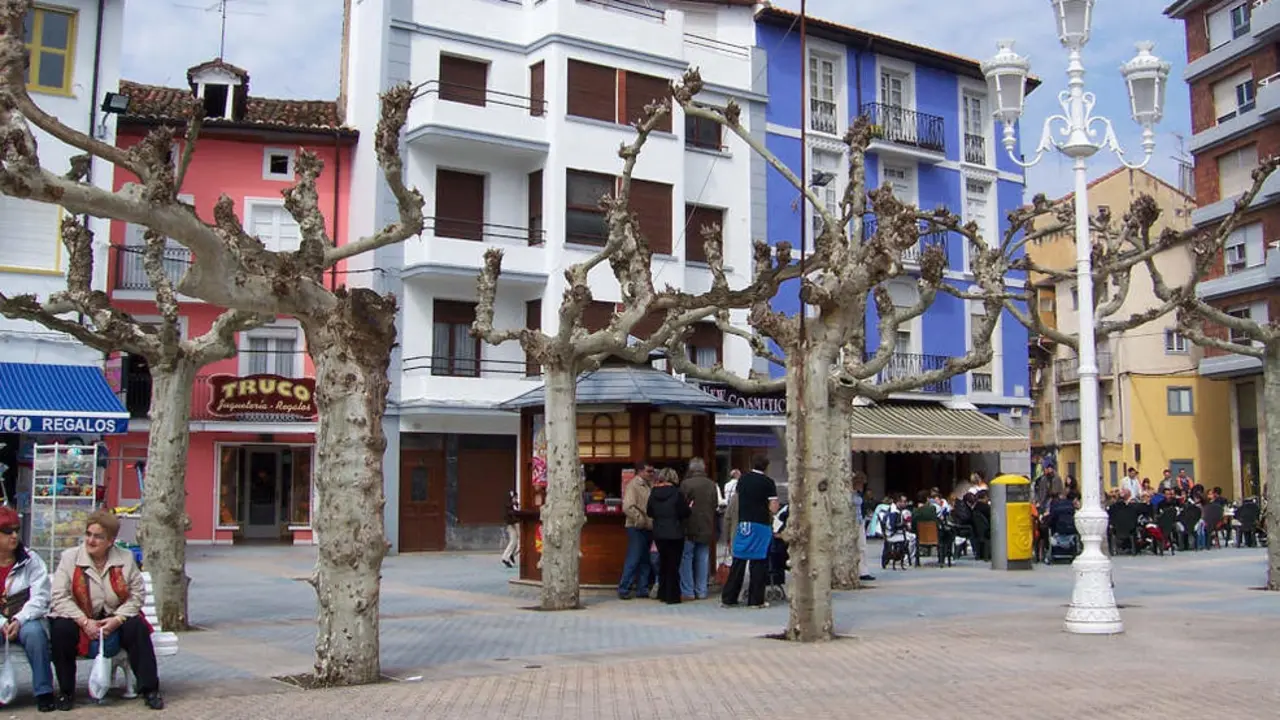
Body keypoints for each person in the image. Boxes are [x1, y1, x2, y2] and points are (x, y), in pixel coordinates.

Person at [49, 510, 163, 710]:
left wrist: (118, 619)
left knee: (137, 627)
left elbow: (137, 595)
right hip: (80, 618)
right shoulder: (70, 558)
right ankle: (66, 693)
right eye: (88, 534)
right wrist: (84, 621)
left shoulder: (125, 558)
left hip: (114, 618)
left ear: (110, 541)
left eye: (98, 536)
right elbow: (59, 596)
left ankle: (150, 689)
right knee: (61, 629)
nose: (91, 540)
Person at [0, 506, 55, 712]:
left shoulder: (31, 560)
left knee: (35, 634)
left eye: (16, 530)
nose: (14, 536)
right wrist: (3, 622)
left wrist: (19, 620)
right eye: (7, 532)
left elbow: (41, 597)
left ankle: (44, 692)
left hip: (26, 618)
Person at [720, 456, 778, 608]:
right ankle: (755, 600)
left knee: (738, 561)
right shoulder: (768, 482)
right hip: (761, 524)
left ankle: (729, 598)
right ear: (766, 467)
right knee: (759, 562)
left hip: (744, 523)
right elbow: (773, 506)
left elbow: (738, 498)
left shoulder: (743, 480)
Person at [647, 468, 690, 605]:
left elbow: (649, 512)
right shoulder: (677, 493)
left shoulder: (653, 492)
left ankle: (663, 593)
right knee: (674, 565)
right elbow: (684, 512)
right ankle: (673, 596)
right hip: (675, 532)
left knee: (664, 563)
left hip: (659, 532)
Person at [678, 457, 718, 601]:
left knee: (686, 558)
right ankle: (702, 591)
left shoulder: (685, 484)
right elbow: (715, 504)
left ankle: (688, 591)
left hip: (689, 526)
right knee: (703, 557)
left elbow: (681, 506)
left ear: (691, 469)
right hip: (707, 524)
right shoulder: (711, 484)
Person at [617, 463, 655, 600]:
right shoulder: (633, 485)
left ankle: (642, 588)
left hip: (648, 527)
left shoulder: (650, 484)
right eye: (649, 471)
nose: (651, 473)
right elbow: (627, 506)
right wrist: (639, 519)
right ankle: (624, 588)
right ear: (640, 471)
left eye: (652, 471)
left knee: (645, 559)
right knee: (634, 557)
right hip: (636, 526)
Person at [500, 490, 520, 568]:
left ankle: (510, 555)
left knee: (515, 541)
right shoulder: (509, 505)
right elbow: (510, 516)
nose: (516, 499)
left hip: (514, 524)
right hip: (512, 525)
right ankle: (507, 557)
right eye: (515, 497)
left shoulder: (515, 505)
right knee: (514, 541)